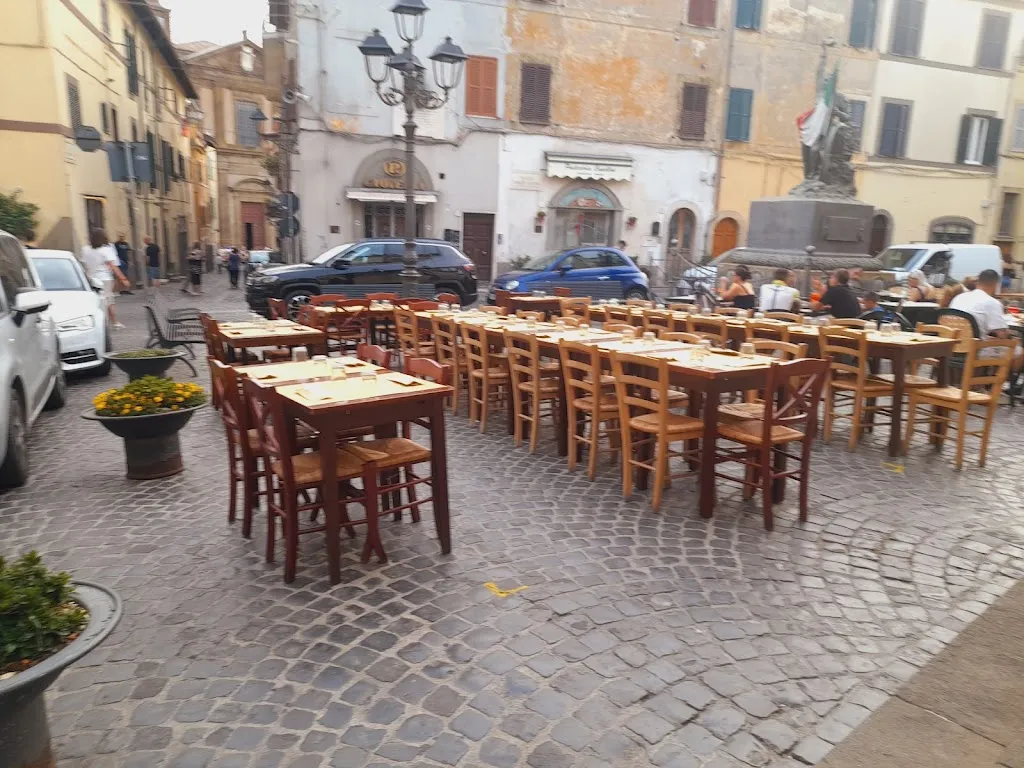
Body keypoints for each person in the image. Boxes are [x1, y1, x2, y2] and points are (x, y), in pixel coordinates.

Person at [950, 269, 1023, 370]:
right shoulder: (992, 302)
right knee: (1019, 350)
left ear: (978, 282)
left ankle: (988, 381)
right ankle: (1002, 382)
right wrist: (1013, 337)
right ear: (995, 284)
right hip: (976, 350)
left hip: (954, 347)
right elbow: (1002, 335)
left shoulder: (959, 298)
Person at [81, 228, 129, 329]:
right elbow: (113, 266)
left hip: (91, 279)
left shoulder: (85, 249)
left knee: (95, 301)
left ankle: (96, 322)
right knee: (109, 300)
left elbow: (85, 266)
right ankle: (115, 322)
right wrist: (123, 279)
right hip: (105, 278)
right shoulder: (106, 250)